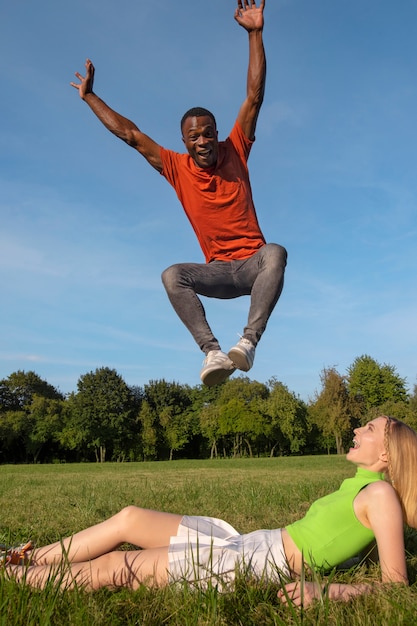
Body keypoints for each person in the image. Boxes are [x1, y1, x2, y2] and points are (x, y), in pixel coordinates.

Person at [70, 0, 288, 387]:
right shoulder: (175, 167)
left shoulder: (236, 148)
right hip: (218, 271)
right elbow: (130, 135)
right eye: (194, 136)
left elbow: (254, 96)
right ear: (184, 143)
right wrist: (89, 97)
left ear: (218, 133)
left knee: (275, 253)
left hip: (253, 265)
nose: (203, 141)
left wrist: (256, 33)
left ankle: (248, 343)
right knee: (173, 275)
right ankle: (212, 352)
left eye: (208, 132)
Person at [5, 416, 417, 608]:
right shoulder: (364, 487)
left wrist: (325, 591)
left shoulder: (380, 495)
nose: (357, 430)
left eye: (369, 429)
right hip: (249, 543)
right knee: (129, 516)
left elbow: (395, 586)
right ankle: (25, 559)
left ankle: (10, 576)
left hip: (256, 563)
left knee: (116, 566)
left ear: (385, 452)